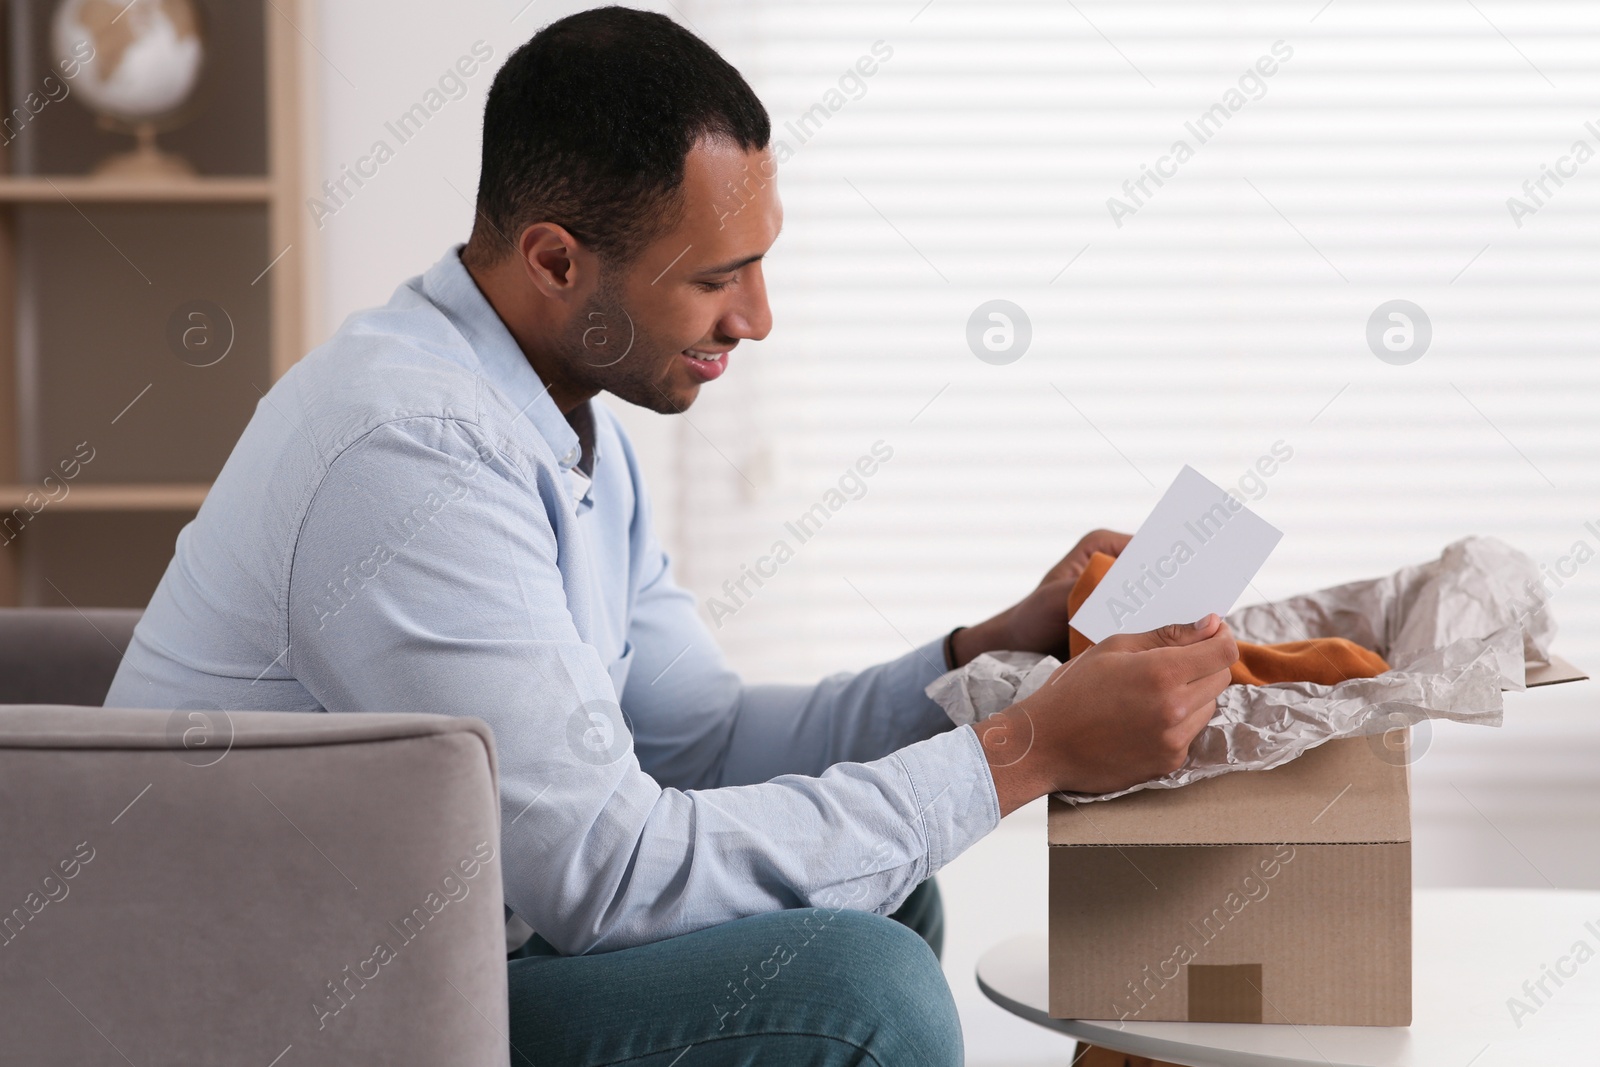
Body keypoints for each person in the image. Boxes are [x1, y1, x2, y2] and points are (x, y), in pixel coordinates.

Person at [105, 7, 1238, 1064]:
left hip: (443, 937)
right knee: (863, 990)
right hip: (283, 1006)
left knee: (886, 889)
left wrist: (990, 654)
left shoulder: (558, 414)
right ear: (556, 261)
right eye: (715, 277)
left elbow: (700, 741)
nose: (755, 317)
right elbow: (606, 874)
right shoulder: (410, 452)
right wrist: (1029, 752)